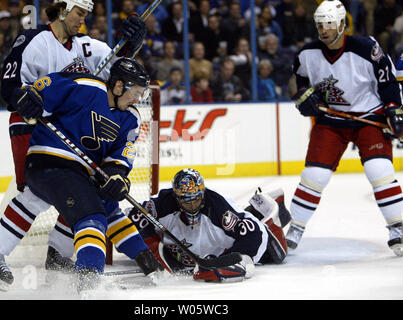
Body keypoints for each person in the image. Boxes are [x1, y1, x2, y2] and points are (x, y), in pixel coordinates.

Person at [0, 0, 148, 291]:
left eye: (86, 15)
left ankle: (47, 252)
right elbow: (9, 86)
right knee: (35, 189)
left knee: (75, 190)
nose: (82, 20)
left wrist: (132, 42)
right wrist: (20, 96)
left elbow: (118, 69)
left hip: (65, 129)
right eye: (79, 13)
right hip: (31, 122)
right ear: (62, 9)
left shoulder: (87, 46)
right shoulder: (34, 40)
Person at [286, 0, 403, 257]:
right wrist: (303, 96)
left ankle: (398, 227)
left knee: (379, 169)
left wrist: (394, 108)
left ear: (341, 24)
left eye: (329, 24)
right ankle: (294, 228)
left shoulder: (366, 48)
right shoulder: (308, 53)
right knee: (314, 175)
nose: (324, 30)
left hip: (369, 117)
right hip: (331, 122)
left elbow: (388, 82)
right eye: (320, 25)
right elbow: (299, 81)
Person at [127, 168, 291, 282]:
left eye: (196, 198)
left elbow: (255, 233)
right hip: (195, 252)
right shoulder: (164, 202)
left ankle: (266, 208)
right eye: (186, 200)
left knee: (278, 254)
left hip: (227, 246)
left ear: (203, 193)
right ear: (176, 197)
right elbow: (130, 218)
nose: (192, 205)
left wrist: (234, 259)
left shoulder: (219, 208)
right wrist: (149, 249)